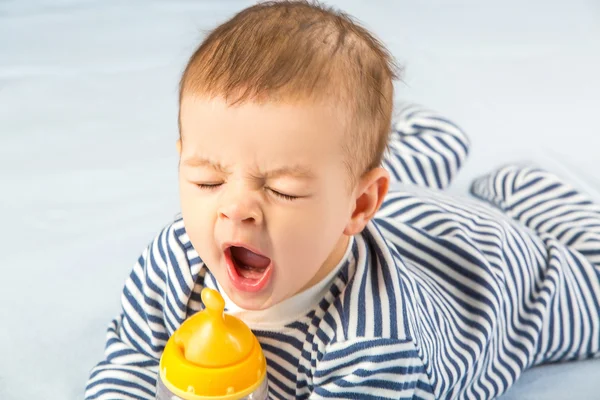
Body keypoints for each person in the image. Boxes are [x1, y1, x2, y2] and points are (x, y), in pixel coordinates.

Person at [85, 2, 600, 399]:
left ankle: (528, 188)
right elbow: (131, 353)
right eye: (205, 180)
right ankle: (422, 141)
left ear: (359, 206)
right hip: (368, 217)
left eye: (282, 189)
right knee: (333, 169)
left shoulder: (375, 348)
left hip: (487, 270)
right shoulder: (176, 256)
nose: (234, 209)